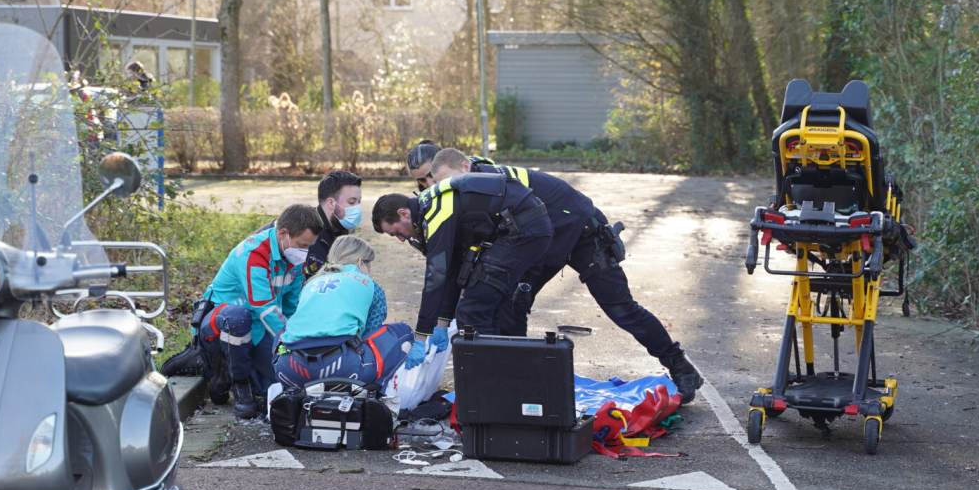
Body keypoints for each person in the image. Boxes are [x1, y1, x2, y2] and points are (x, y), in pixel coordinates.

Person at [421, 145, 704, 404]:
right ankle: (515, 384)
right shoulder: (471, 186)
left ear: (467, 167)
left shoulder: (487, 179)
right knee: (510, 305)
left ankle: (680, 366)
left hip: (582, 230)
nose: (447, 189)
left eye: (450, 181)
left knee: (621, 307)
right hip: (543, 242)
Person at [371, 172, 553, 368]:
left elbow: (436, 275)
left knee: (473, 309)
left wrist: (421, 337)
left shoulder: (436, 213)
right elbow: (451, 271)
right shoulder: (430, 205)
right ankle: (504, 376)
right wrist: (441, 323)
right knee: (487, 305)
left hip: (524, 230)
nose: (401, 239)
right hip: (525, 228)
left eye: (397, 232)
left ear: (403, 213)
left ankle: (486, 382)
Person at [198, 204, 323, 418]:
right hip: (222, 324)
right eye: (302, 245)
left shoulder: (293, 258)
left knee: (287, 381)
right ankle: (239, 384)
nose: (305, 253)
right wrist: (291, 341)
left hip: (260, 325)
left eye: (308, 247)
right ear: (283, 233)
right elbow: (263, 307)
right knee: (238, 318)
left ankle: (242, 374)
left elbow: (292, 307)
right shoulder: (253, 253)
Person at [274, 236, 416, 390]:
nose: (369, 271)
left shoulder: (310, 283)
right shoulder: (370, 285)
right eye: (369, 266)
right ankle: (377, 392)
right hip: (343, 369)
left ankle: (286, 389)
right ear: (361, 262)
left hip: (290, 370)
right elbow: (370, 333)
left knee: (284, 330)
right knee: (403, 331)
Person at [301, 170, 364, 279]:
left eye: (359, 202)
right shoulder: (309, 235)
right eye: (352, 202)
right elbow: (311, 286)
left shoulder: (338, 227)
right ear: (331, 203)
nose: (357, 208)